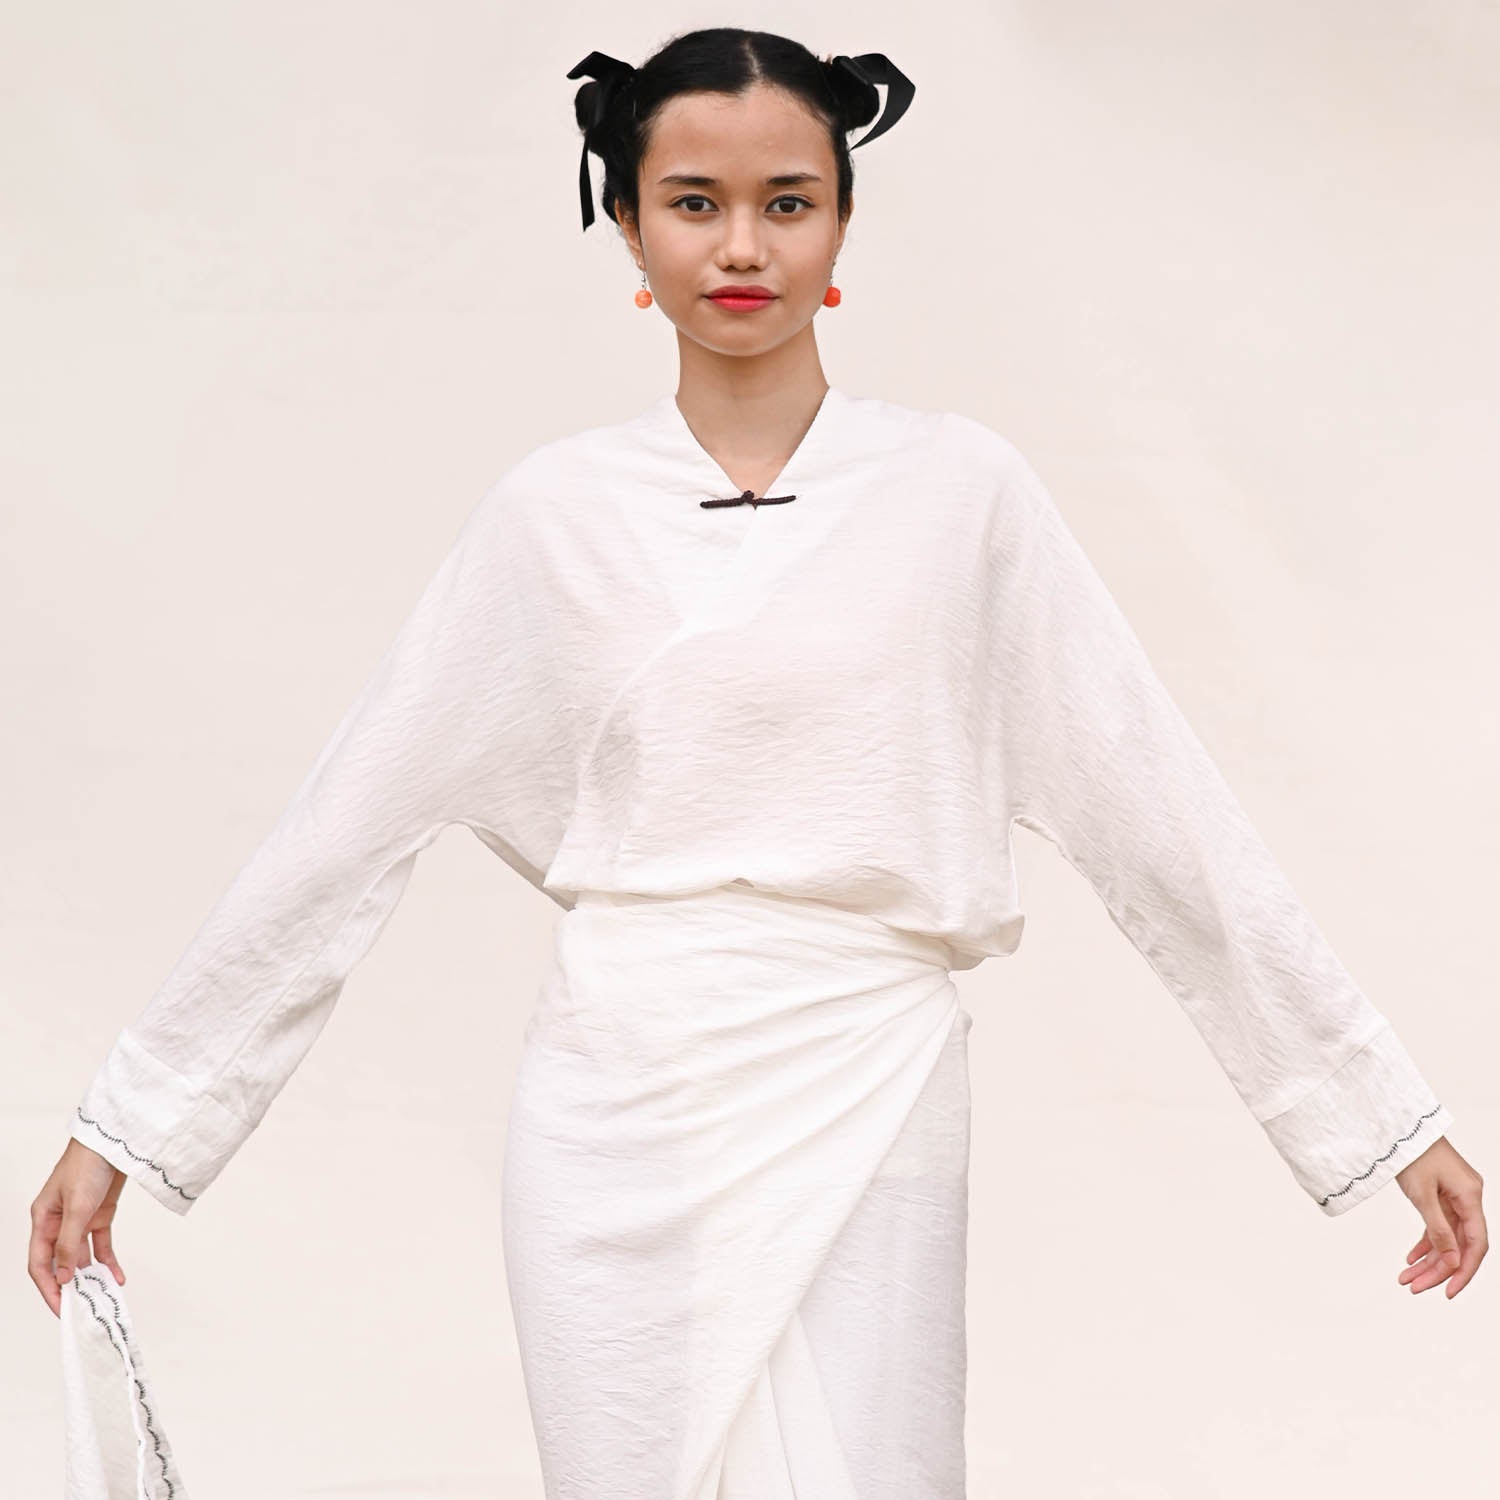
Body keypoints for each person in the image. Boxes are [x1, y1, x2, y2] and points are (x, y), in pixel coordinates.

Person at [30, 25, 1486, 1500]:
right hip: (618, 1103)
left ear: (843, 221)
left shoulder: (960, 494)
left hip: (872, 1072)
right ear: (627, 224)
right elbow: (344, 828)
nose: (742, 245)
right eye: (695, 202)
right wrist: (130, 1126)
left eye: (788, 201)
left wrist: (1381, 1114)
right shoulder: (553, 515)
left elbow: (1157, 809)